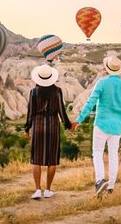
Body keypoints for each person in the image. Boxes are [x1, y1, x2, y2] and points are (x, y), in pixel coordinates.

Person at [72, 55, 121, 196]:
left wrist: (79, 120)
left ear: (107, 69)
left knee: (97, 153)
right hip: (116, 127)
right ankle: (111, 186)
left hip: (101, 124)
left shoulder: (101, 83)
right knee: (113, 156)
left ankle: (100, 181)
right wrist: (118, 115)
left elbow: (90, 103)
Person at [24, 64, 72, 199]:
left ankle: (37, 190)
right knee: (52, 160)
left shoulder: (34, 92)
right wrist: (68, 125)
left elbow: (30, 112)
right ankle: (48, 190)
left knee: (36, 159)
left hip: (37, 126)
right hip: (53, 126)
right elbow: (62, 111)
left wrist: (27, 128)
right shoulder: (57, 91)